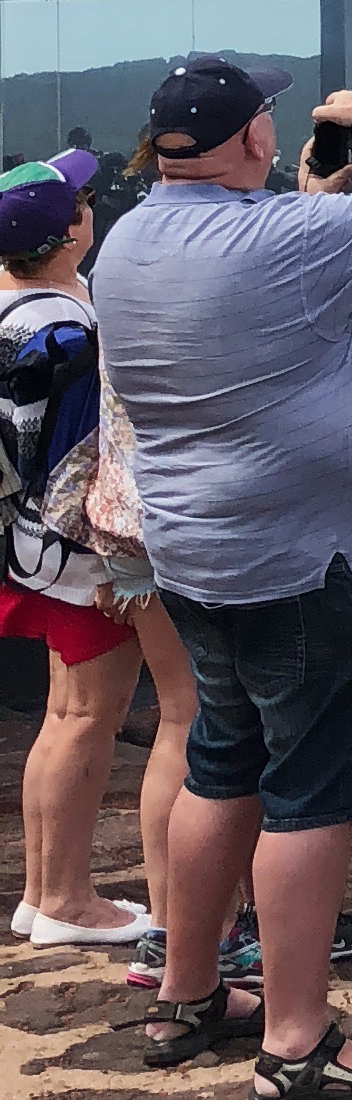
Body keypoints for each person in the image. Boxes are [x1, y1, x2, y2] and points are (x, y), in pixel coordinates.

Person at [94, 57, 352, 1100]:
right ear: (255, 138)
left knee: (224, 765)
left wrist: (310, 204)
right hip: (313, 565)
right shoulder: (289, 242)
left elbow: (261, 270)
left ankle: (188, 992)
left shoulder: (129, 242)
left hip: (202, 558)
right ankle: (297, 1042)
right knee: (309, 796)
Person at [3, 147, 151, 947]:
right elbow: (84, 459)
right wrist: (112, 560)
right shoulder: (66, 334)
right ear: (71, 233)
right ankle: (66, 899)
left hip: (32, 544)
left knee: (64, 714)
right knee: (88, 717)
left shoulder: (20, 309)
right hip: (76, 549)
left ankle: (43, 891)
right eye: (83, 202)